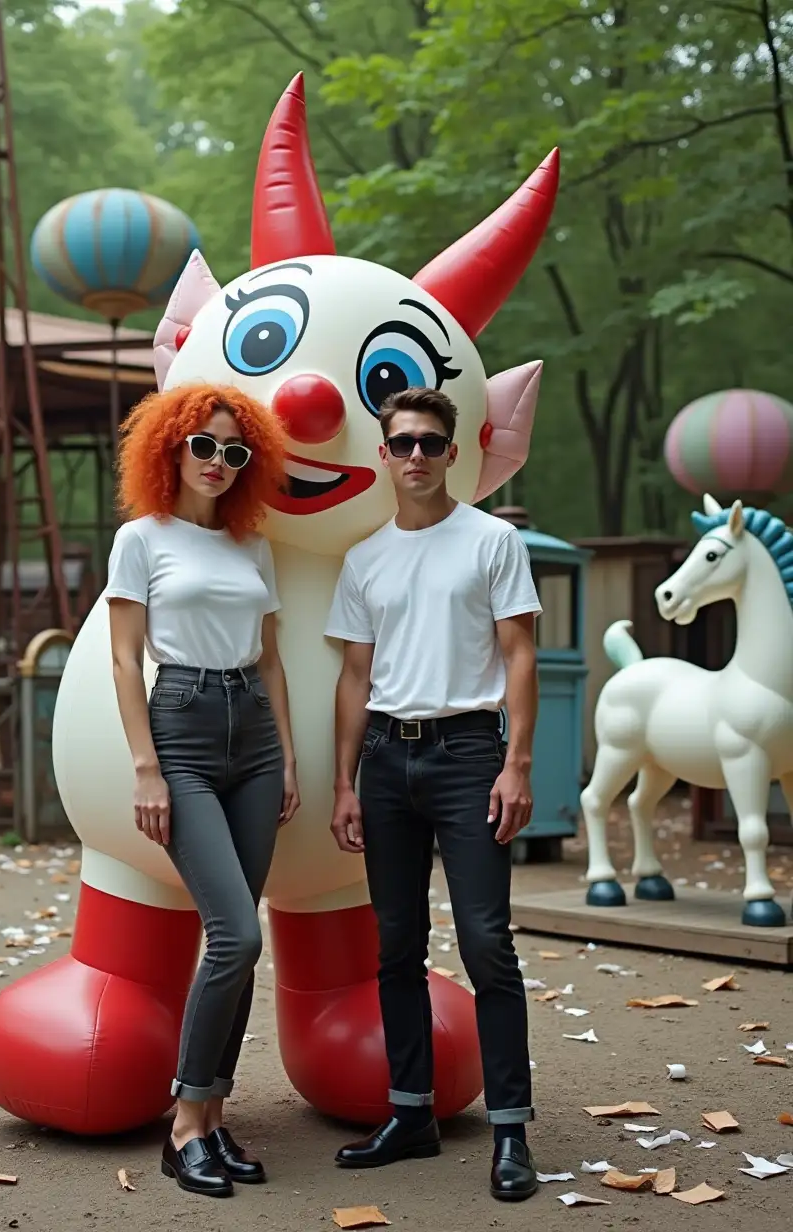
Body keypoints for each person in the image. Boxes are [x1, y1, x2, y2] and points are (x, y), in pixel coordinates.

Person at [325, 385, 541, 1201]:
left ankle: (512, 1128)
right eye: (402, 442)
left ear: (454, 453)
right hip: (385, 758)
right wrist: (343, 783)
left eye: (430, 442)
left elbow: (519, 654)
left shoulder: (491, 541)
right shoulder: (364, 558)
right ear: (383, 455)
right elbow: (354, 677)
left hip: (468, 755)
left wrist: (516, 763)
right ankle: (410, 1114)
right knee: (396, 946)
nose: (416, 455)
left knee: (488, 944)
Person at [105, 383, 300, 1199]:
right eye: (204, 447)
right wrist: (147, 768)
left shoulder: (254, 548)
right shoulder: (141, 540)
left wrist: (287, 757)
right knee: (236, 937)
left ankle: (214, 1119)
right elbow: (123, 660)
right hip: (180, 725)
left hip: (253, 733)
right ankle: (185, 1123)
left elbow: (270, 658)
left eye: (235, 452)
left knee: (240, 936)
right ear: (171, 448)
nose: (218, 463)